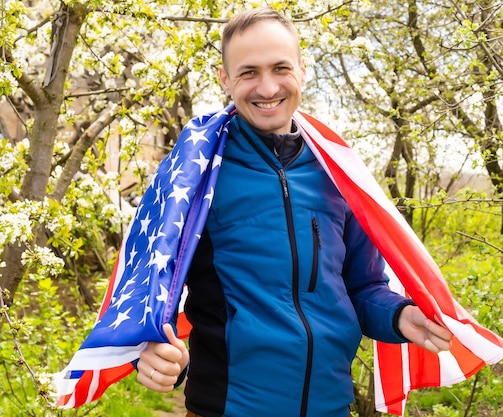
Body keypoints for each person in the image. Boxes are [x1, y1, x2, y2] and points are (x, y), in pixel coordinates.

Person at [135, 7, 453, 417]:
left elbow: (362, 287)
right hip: (228, 407)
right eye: (249, 72)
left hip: (331, 406)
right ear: (225, 79)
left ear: (302, 71)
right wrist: (158, 353)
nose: (267, 87)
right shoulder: (194, 176)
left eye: (280, 68)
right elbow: (149, 293)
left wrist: (399, 316)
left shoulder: (339, 172)